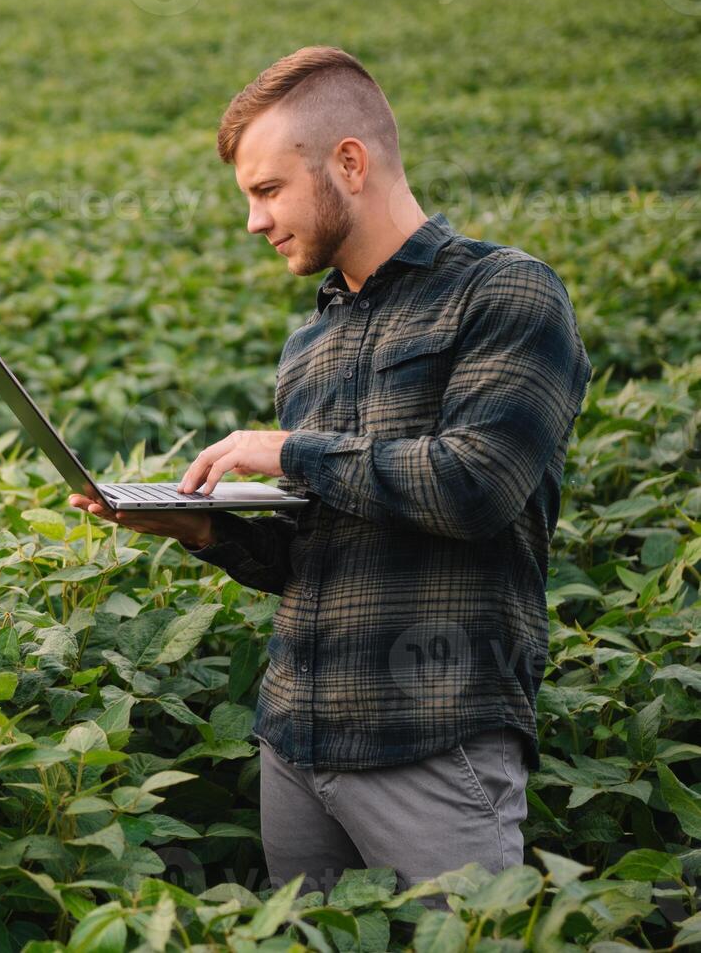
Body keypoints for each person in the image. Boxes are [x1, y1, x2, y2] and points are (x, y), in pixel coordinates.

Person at [69, 46, 591, 904]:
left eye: (267, 190)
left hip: (434, 743)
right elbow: (320, 553)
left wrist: (288, 451)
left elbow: (477, 487)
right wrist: (201, 528)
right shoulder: (310, 345)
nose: (253, 221)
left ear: (350, 163)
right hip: (295, 748)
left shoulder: (506, 294)